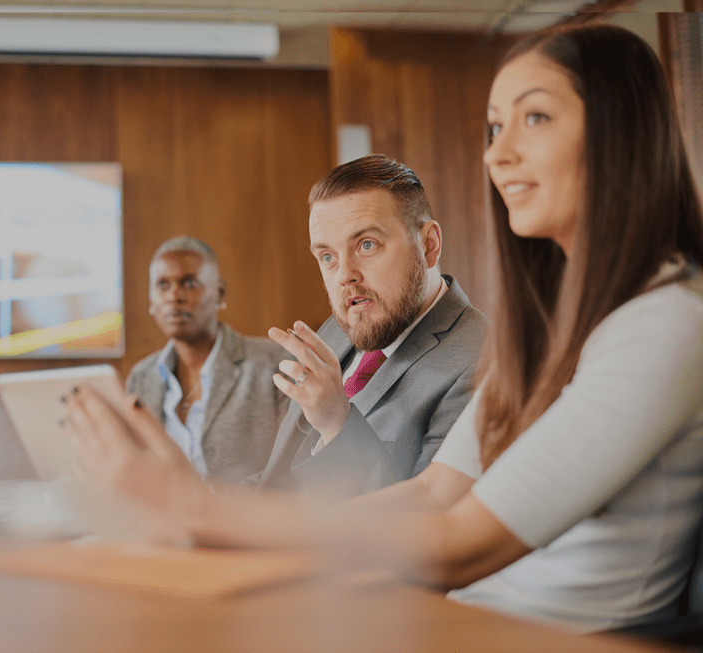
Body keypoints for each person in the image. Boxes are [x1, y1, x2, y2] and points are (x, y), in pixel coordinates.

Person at [65, 22, 703, 634]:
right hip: (458, 618)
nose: (498, 153)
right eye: (495, 126)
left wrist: (199, 512)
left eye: (535, 117)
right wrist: (211, 534)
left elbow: (455, 545)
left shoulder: (664, 324)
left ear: (621, 134)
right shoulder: (552, 327)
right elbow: (432, 496)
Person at [250, 155, 487, 500]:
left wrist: (336, 423)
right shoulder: (338, 328)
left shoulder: (484, 362)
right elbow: (279, 484)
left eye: (366, 245)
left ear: (429, 245)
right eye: (327, 256)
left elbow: (427, 530)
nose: (344, 274)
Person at [126, 237, 290, 484]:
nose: (174, 296)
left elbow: (293, 467)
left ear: (220, 293)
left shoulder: (274, 364)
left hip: (250, 520)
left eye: (189, 283)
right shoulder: (140, 378)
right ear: (151, 299)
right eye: (162, 285)